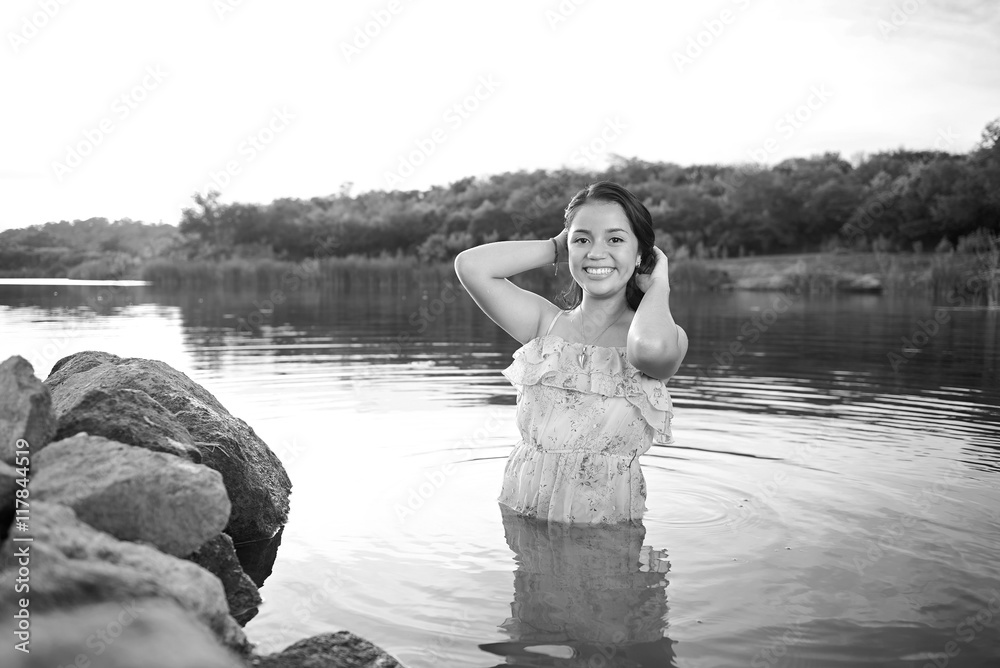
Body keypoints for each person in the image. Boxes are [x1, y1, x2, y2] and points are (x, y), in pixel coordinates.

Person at [454, 181, 688, 524]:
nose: (595, 252)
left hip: (603, 530)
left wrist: (659, 283)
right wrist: (555, 245)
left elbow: (650, 351)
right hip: (525, 517)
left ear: (642, 254)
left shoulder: (661, 336)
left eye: (616, 239)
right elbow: (471, 267)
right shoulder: (545, 325)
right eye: (583, 239)